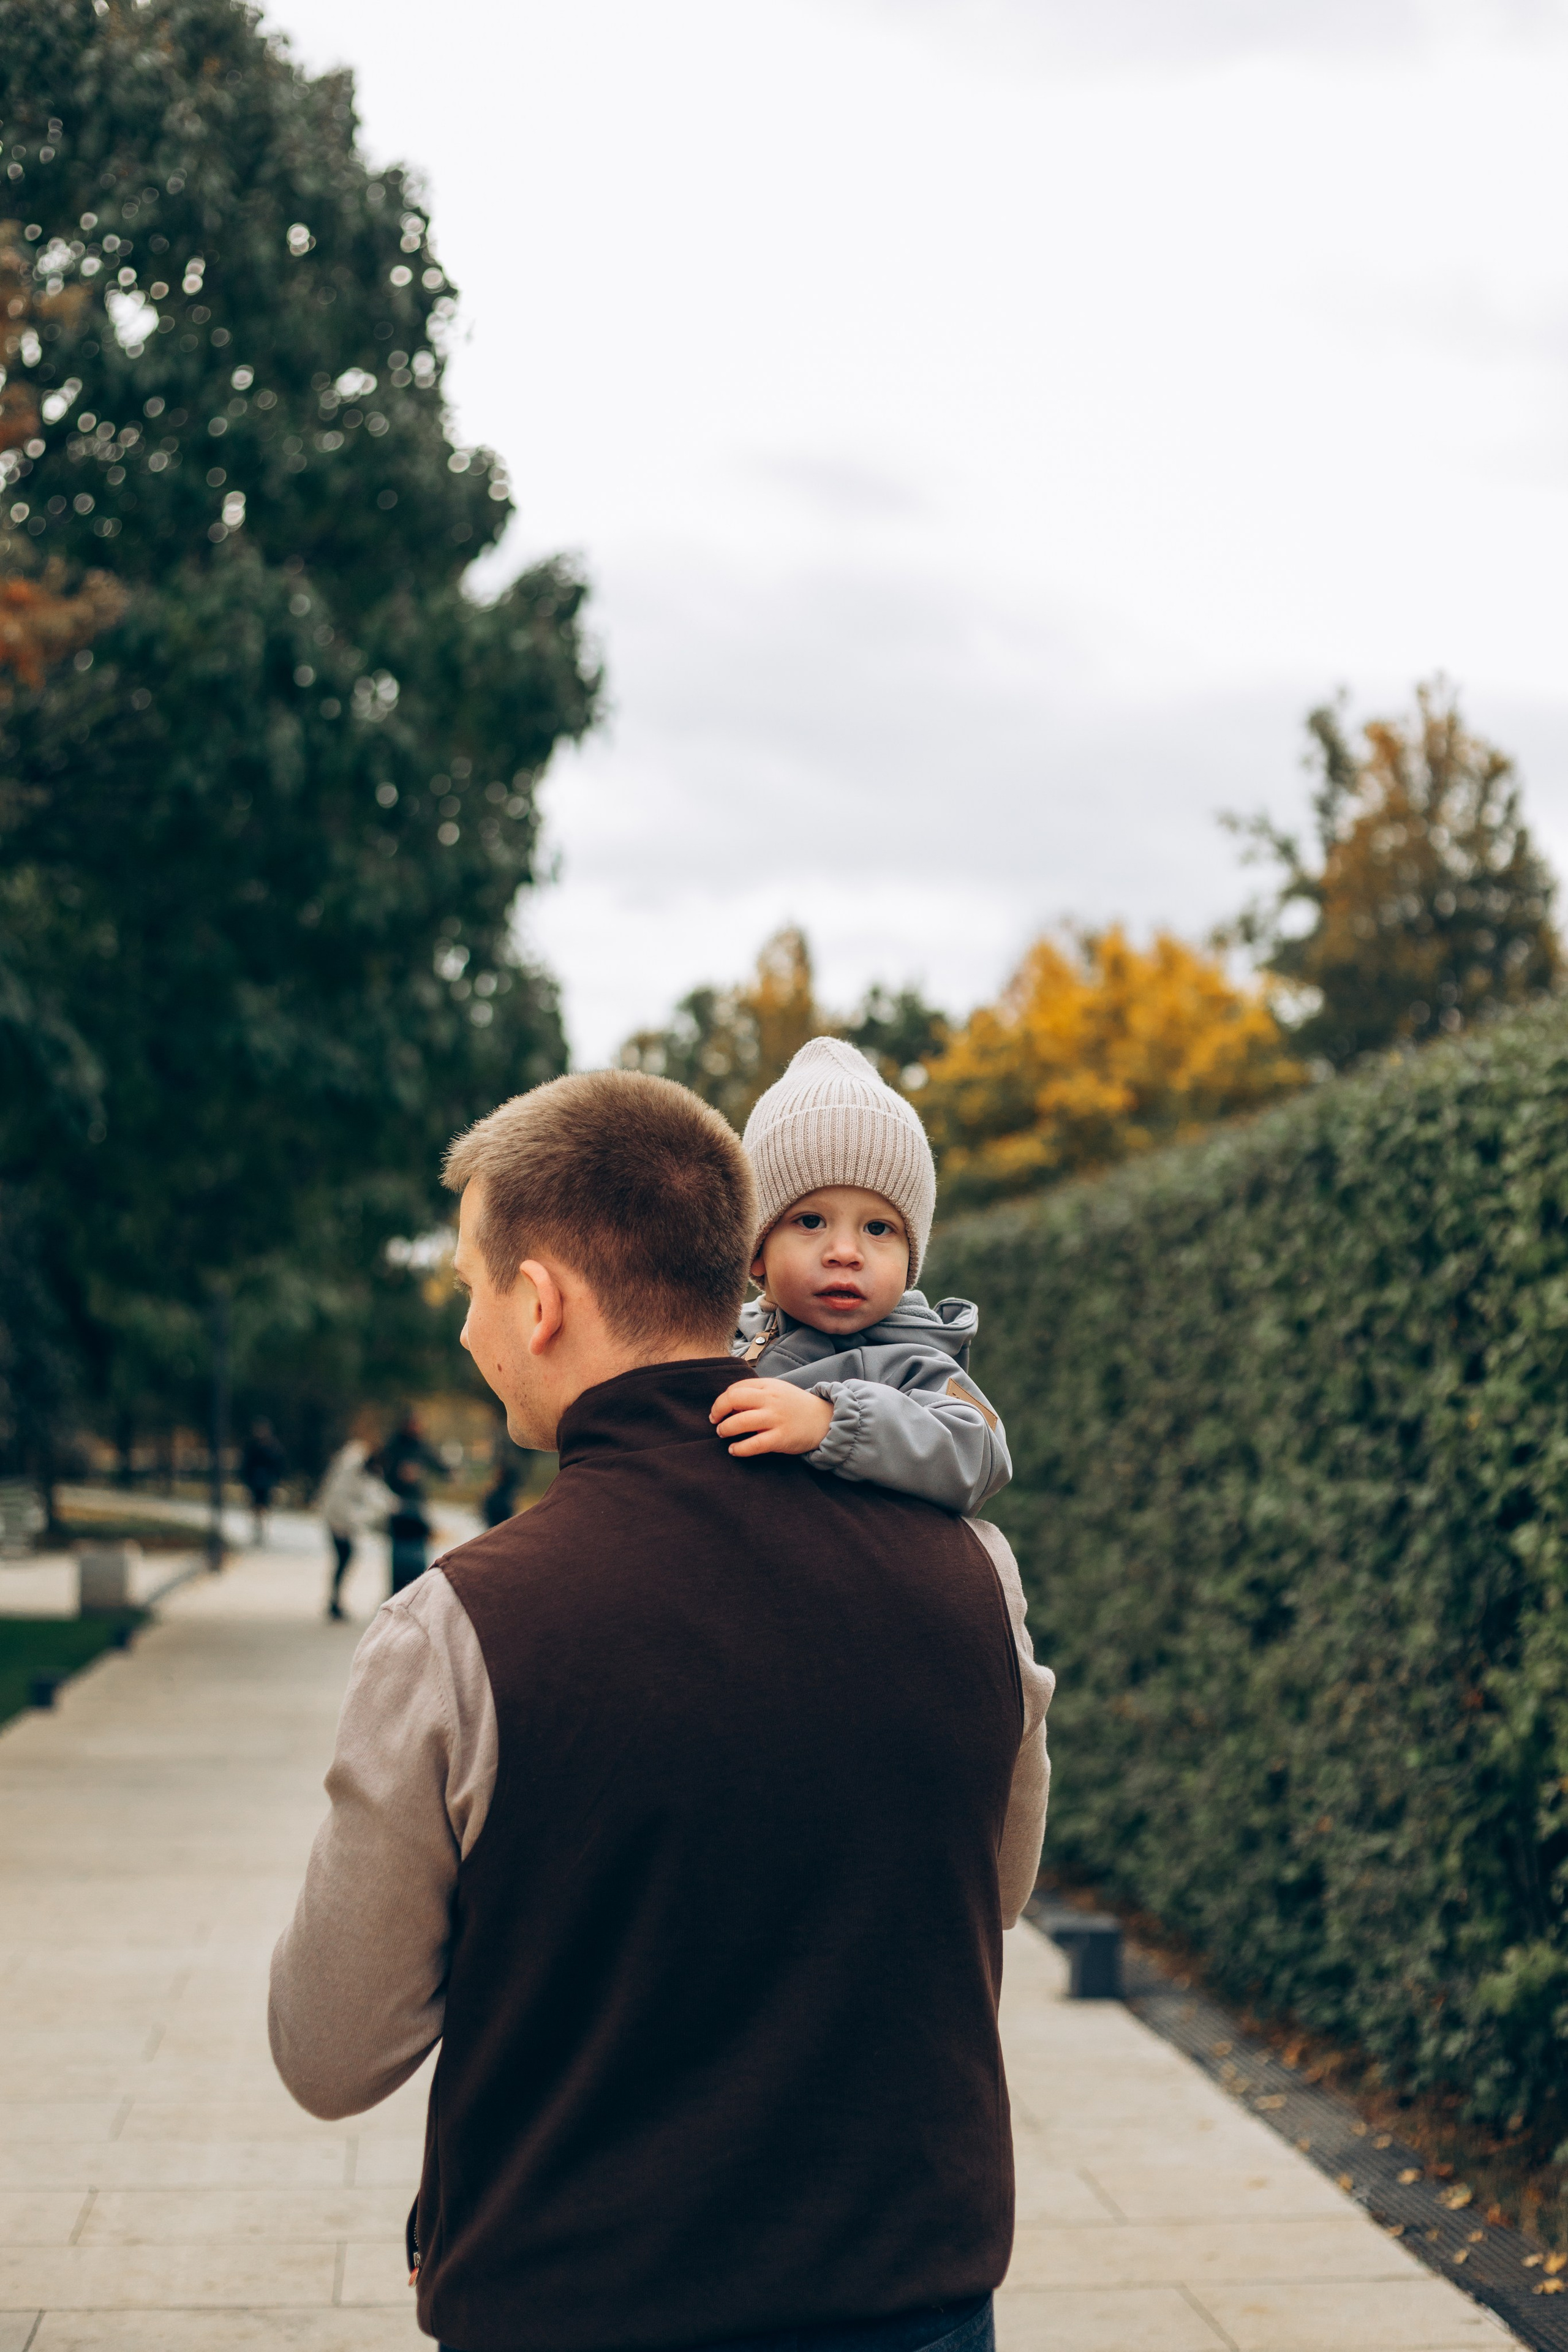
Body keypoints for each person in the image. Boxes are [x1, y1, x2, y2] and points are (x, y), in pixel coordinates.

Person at [269, 1069, 1052, 2352]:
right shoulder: (977, 1573)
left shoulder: (457, 1625)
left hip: (574, 2298)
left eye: (472, 1290)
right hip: (909, 2296)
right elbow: (995, 1886)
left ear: (539, 1303)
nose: (466, 1333)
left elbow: (331, 2050)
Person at [710, 1036, 1010, 1514]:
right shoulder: (719, 1337)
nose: (846, 1253)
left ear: (910, 1261)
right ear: (757, 1252)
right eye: (811, 1221)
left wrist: (833, 1421)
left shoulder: (914, 1360)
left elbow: (982, 1450)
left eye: (878, 1228)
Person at [315, 1436, 399, 1623]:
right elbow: (339, 1501)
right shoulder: (349, 1471)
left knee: (345, 1559)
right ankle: (334, 1602)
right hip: (336, 1522)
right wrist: (348, 1525)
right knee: (344, 1558)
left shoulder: (363, 1471)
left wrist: (392, 1503)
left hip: (343, 1523)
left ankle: (335, 1601)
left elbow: (376, 1490)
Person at [372, 1409, 448, 1595]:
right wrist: (397, 1475)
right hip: (397, 1504)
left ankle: (416, 1591)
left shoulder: (422, 1446)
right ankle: (396, 1593)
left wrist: (447, 1472)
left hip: (417, 1505)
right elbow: (376, 1467)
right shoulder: (394, 1445)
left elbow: (438, 1464)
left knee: (418, 1551)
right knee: (399, 1554)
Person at [239, 1418, 286, 1545]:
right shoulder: (252, 1446)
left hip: (267, 1482)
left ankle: (262, 1528)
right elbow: (246, 1464)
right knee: (255, 1506)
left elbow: (278, 1464)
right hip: (254, 1481)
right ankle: (257, 1527)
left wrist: (277, 1480)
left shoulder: (273, 1446)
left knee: (264, 1507)